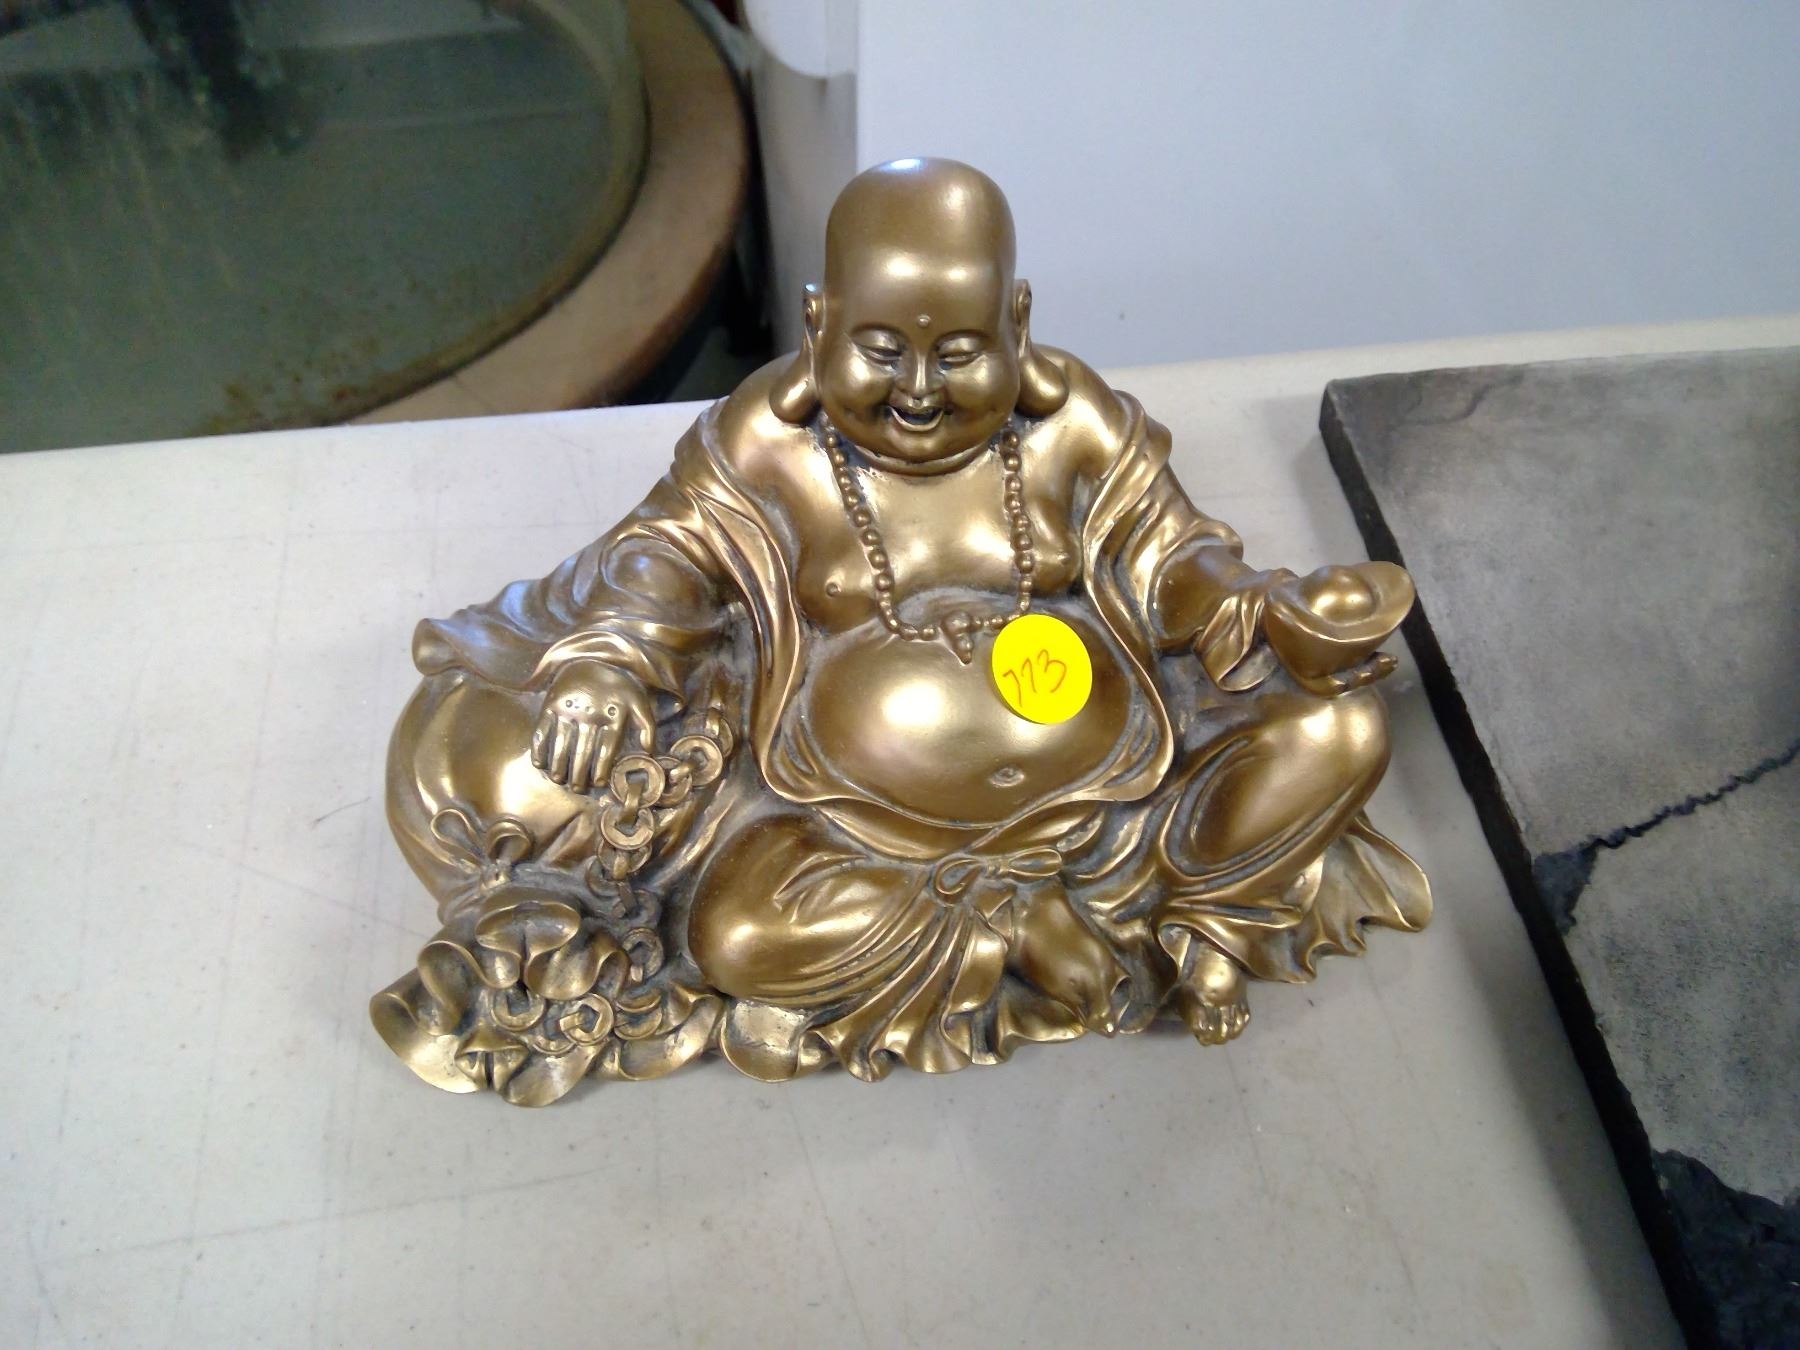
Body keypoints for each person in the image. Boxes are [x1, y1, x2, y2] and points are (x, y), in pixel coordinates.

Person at [383, 157, 1429, 1085]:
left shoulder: (1074, 425)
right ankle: (1016, 921)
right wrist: (611, 662)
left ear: (1019, 324)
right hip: (853, 821)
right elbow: (667, 555)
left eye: (962, 351)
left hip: (1112, 795)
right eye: (880, 350)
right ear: (817, 325)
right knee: (735, 935)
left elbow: (1171, 560)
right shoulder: (768, 446)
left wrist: (1265, 611)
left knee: (1340, 731)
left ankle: (1187, 917)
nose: (920, 390)